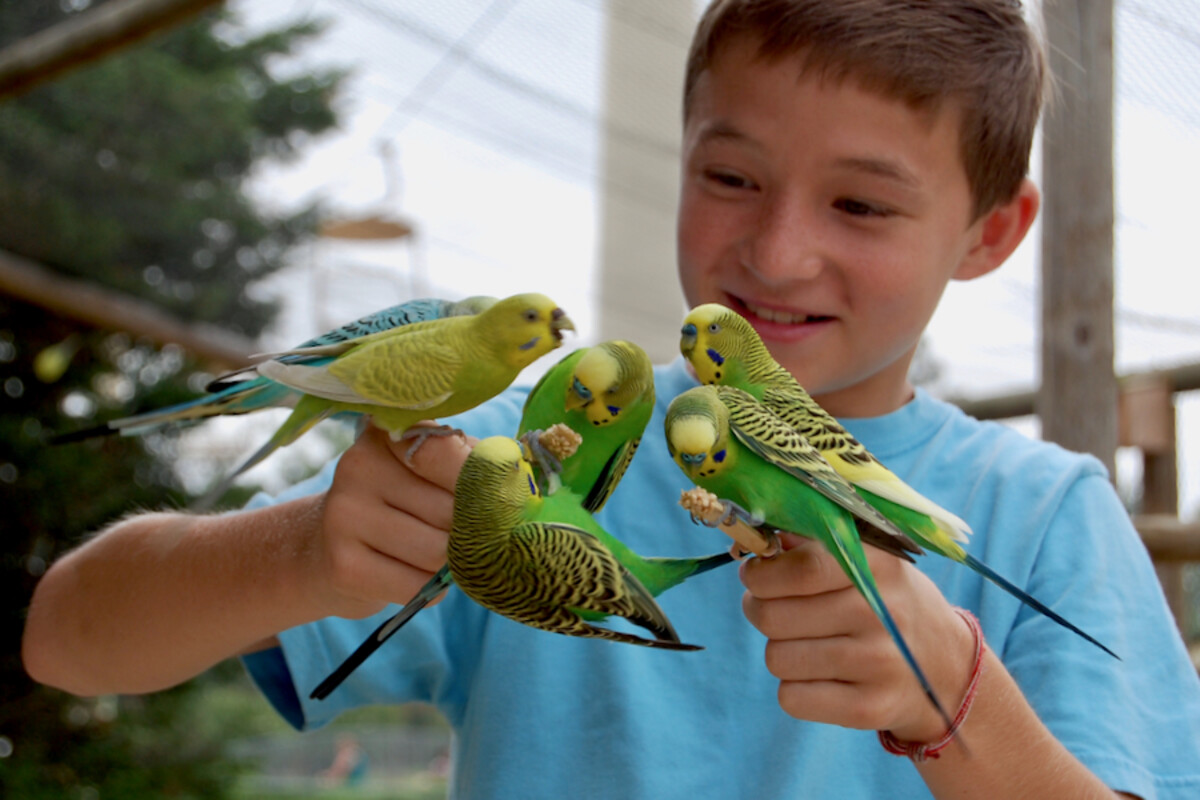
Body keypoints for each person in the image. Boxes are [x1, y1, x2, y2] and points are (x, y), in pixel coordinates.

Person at [22, 1, 1200, 798]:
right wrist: (306, 551)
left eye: (862, 206)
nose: (778, 253)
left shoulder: (1046, 517)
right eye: (730, 178)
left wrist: (961, 705)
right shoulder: (518, 450)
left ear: (991, 232)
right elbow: (66, 635)